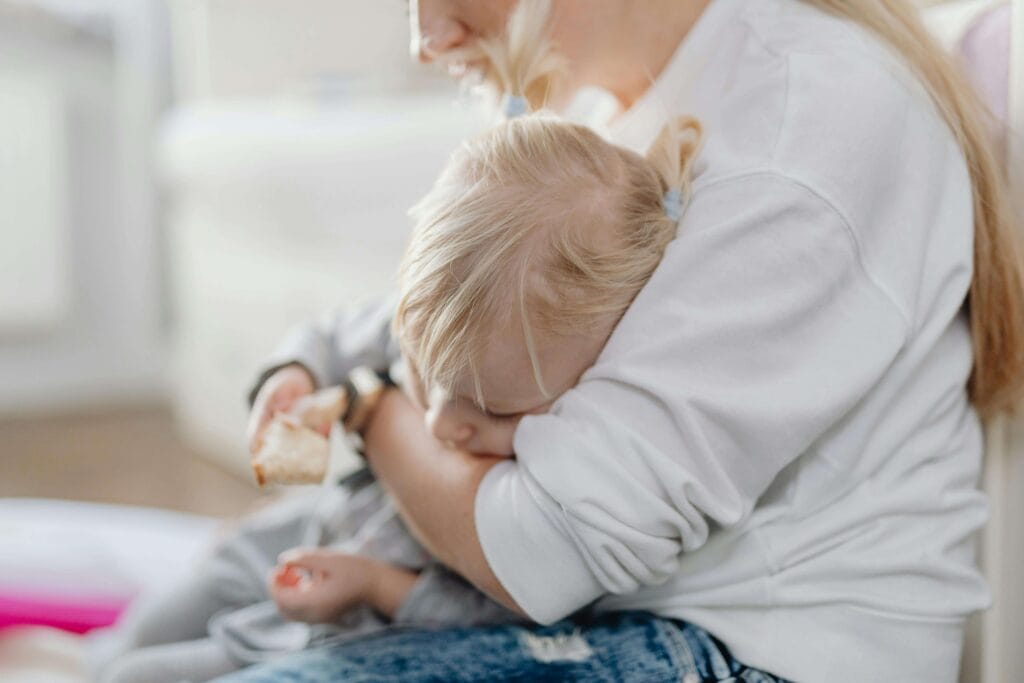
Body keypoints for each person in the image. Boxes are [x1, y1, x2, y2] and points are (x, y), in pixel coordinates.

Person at [229, 0, 1024, 681]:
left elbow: (538, 547)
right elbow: (438, 316)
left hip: (753, 650)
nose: (425, 36)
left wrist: (372, 407)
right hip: (635, 617)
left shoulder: (804, 127)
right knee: (235, 600)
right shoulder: (617, 108)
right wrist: (316, 362)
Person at [91, 7, 731, 681]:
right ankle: (88, 653)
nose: (439, 422)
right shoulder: (445, 327)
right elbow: (340, 334)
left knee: (143, 675)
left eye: (496, 412)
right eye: (428, 377)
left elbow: (515, 617)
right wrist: (294, 374)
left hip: (338, 621)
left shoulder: (577, 478)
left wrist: (376, 584)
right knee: (188, 595)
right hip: (309, 534)